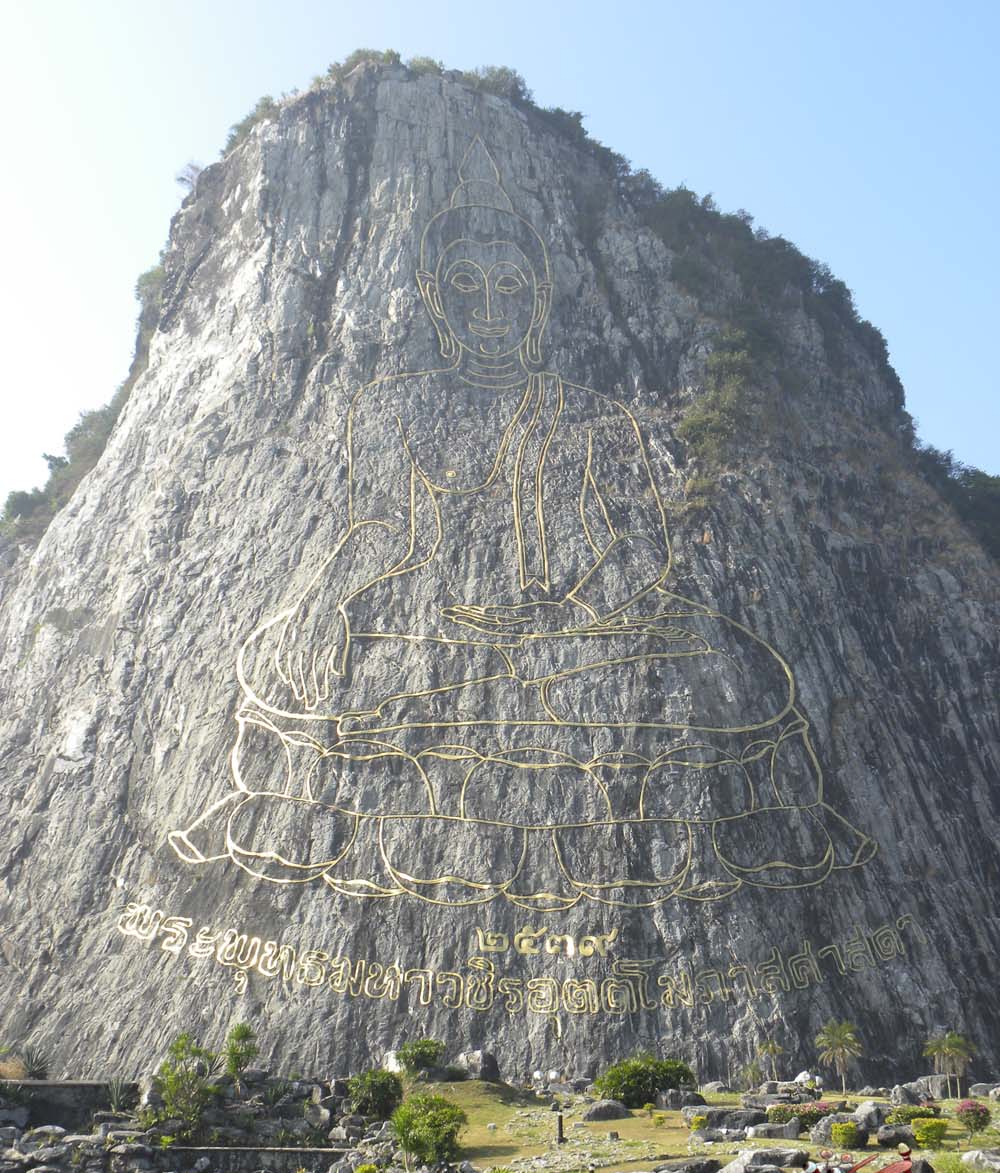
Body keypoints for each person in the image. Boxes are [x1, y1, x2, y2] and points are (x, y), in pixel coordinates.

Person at [170, 139, 875, 909]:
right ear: (436, 295)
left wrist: (570, 614)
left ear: (538, 295)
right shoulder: (394, 403)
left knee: (737, 668)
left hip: (581, 641)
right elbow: (380, 526)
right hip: (440, 628)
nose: (491, 306)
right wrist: (324, 600)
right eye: (467, 285)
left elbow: (642, 546)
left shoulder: (593, 413)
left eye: (511, 285)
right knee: (314, 662)